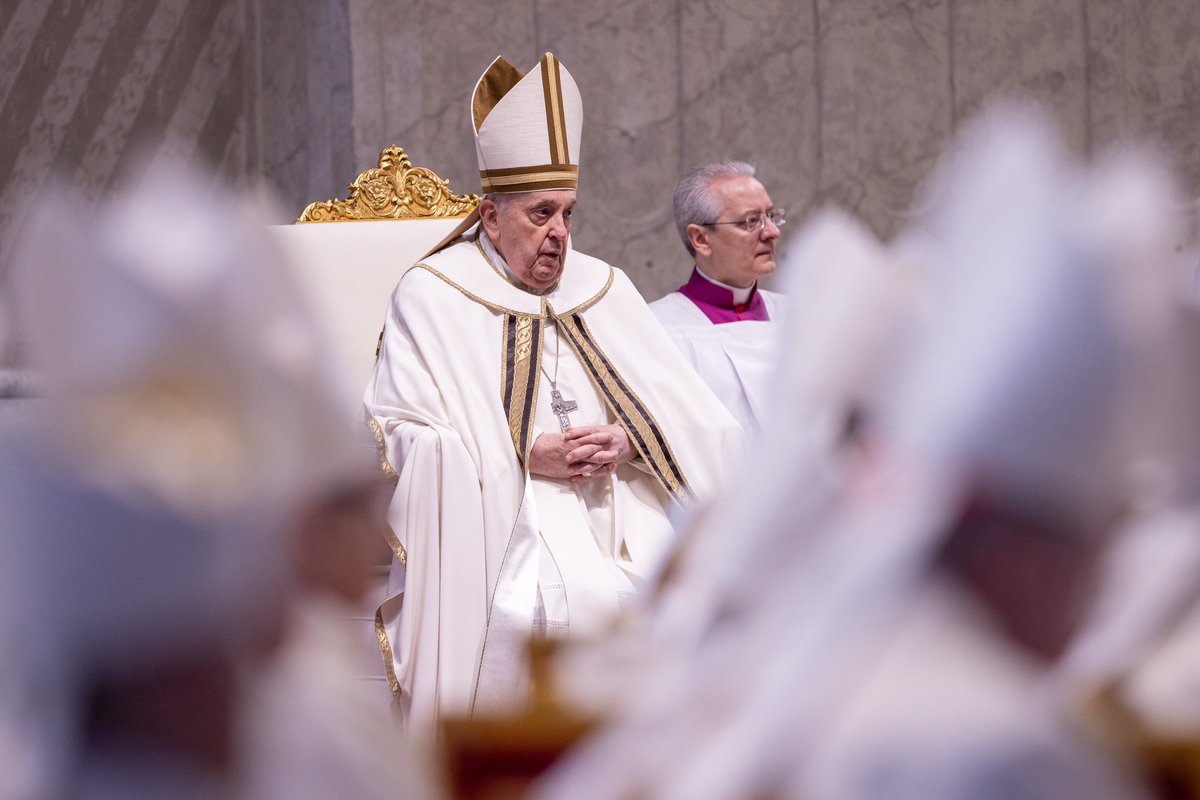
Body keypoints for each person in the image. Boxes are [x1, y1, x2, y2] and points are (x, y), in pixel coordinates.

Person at [365, 53, 741, 736]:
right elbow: (402, 431)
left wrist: (633, 438)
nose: (560, 234)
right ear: (491, 215)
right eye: (541, 214)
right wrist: (517, 453)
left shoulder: (604, 286)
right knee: (571, 604)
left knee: (690, 601)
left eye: (568, 212)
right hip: (507, 520)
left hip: (623, 509)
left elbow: (704, 423)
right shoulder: (432, 293)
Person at [649, 162, 785, 435]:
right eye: (751, 221)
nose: (772, 231)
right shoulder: (656, 329)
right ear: (700, 239)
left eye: (771, 216)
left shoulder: (800, 316)